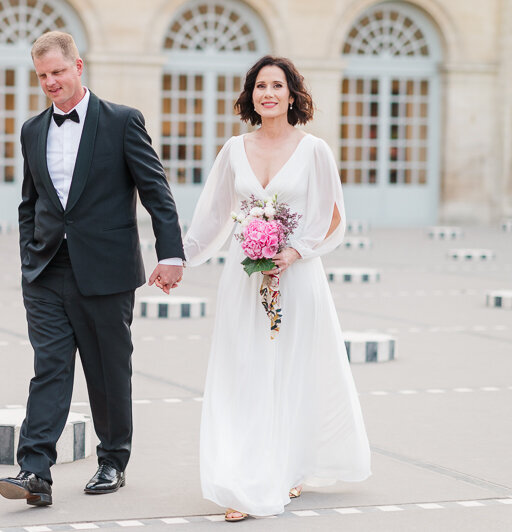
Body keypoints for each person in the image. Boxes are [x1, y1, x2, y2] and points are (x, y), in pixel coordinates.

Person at [0, 31, 185, 507]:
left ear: (78, 67)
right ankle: (34, 469)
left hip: (106, 271)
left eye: (58, 72)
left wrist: (171, 254)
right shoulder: (32, 130)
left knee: (107, 372)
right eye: (42, 76)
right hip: (46, 273)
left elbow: (155, 190)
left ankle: (112, 460)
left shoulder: (122, 121)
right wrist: (28, 257)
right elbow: (30, 202)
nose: (51, 82)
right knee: (50, 369)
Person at [182, 55, 371, 521]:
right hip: (244, 280)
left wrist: (295, 252)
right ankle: (244, 478)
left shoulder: (315, 150)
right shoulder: (233, 149)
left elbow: (332, 215)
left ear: (292, 94)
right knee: (243, 373)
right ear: (251, 96)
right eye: (260, 86)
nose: (268, 93)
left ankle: (286, 466)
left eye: (277, 86)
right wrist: (177, 258)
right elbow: (212, 215)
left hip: (298, 278)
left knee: (291, 372)